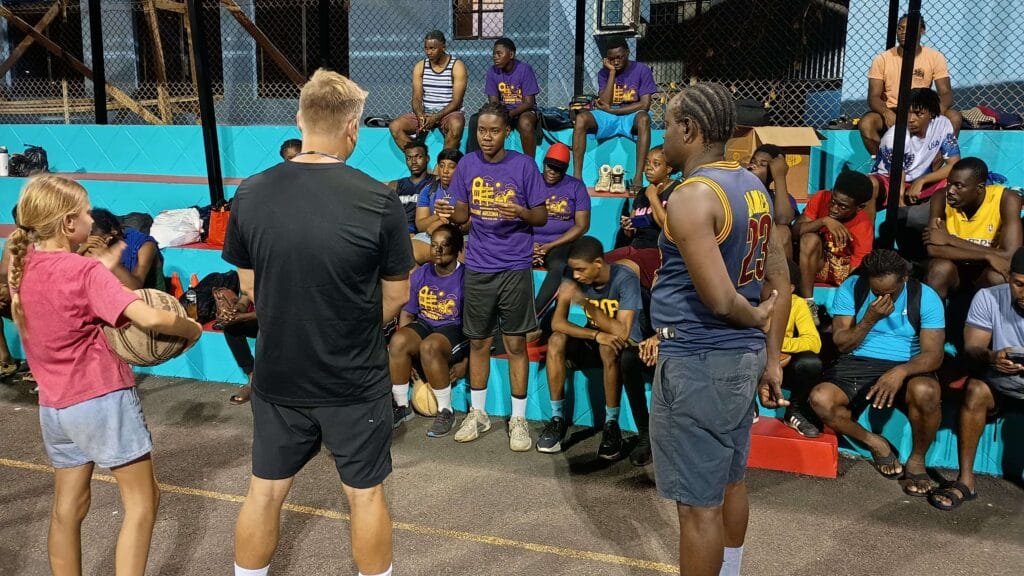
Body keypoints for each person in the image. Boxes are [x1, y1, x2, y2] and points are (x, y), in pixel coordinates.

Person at [224, 70, 412, 576]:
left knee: (264, 492)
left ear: (299, 119)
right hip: (352, 377)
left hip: (280, 373)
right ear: (353, 127)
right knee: (365, 495)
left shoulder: (251, 192)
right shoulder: (378, 199)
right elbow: (397, 294)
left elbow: (248, 287)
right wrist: (345, 323)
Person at [8, 174, 201, 576]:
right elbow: (147, 315)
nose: (90, 219)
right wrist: (189, 328)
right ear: (67, 224)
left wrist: (102, 268)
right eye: (84, 212)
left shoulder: (24, 268)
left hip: (55, 407)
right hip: (100, 399)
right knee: (142, 501)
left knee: (68, 508)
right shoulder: (83, 273)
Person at [649, 82, 788, 576]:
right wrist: (771, 357)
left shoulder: (691, 197)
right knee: (730, 481)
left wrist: (754, 317)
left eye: (667, 123)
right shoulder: (754, 187)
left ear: (689, 129)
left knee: (696, 507)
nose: (663, 133)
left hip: (697, 359)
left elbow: (721, 299)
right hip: (741, 360)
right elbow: (779, 279)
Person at [434, 102, 547, 452]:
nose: (486, 137)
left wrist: (521, 212)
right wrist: (450, 213)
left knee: (515, 344)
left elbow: (541, 217)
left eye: (494, 130)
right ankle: (478, 413)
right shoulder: (466, 164)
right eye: (481, 130)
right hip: (479, 266)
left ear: (507, 133)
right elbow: (464, 217)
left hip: (514, 267)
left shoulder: (524, 166)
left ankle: (518, 419)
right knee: (479, 342)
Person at [808, 249, 945, 497]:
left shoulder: (925, 296)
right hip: (859, 359)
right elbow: (842, 343)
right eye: (876, 292)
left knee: (926, 391)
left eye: (889, 293)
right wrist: (869, 319)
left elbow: (934, 355)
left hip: (907, 362)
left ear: (904, 278)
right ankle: (876, 443)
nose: (883, 297)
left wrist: (900, 371)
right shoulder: (853, 288)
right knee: (820, 399)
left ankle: (916, 460)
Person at [930, 247, 1024, 511]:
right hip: (1002, 382)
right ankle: (966, 481)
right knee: (975, 390)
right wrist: (992, 356)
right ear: (1009, 277)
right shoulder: (989, 298)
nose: (1023, 293)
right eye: (1018, 284)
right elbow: (973, 347)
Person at [539, 236, 648, 462]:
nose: (576, 275)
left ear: (598, 263)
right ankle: (557, 419)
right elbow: (557, 323)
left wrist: (585, 303)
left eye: (581, 269)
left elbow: (622, 332)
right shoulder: (574, 277)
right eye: (573, 270)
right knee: (556, 340)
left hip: (627, 348)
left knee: (610, 347)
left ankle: (611, 425)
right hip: (596, 339)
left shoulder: (624, 278)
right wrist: (596, 334)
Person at [388, 224, 466, 438]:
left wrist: (465, 363)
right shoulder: (421, 273)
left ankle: (445, 410)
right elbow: (407, 314)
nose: (437, 250)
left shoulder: (466, 277)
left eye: (444, 245)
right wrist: (405, 358)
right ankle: (401, 406)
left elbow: (477, 327)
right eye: (433, 245)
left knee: (429, 346)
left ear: (458, 248)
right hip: (426, 323)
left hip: (454, 328)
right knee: (398, 341)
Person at [859, 14, 961, 156]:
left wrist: (933, 112)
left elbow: (946, 93)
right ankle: (883, 164)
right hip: (893, 109)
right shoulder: (882, 59)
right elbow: (873, 97)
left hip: (921, 110)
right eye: (900, 28)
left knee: (954, 117)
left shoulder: (935, 57)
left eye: (909, 28)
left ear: (922, 30)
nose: (903, 32)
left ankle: (934, 163)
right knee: (867, 123)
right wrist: (886, 112)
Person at [923, 157, 1023, 300]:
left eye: (958, 186)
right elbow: (933, 249)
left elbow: (1010, 255)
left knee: (998, 277)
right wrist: (988, 255)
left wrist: (950, 240)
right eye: (949, 183)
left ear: (979, 188)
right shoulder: (940, 197)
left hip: (985, 272)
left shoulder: (1007, 199)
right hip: (954, 270)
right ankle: (933, 321)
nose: (950, 190)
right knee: (940, 269)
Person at [572, 36, 656, 194]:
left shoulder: (642, 70)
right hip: (609, 116)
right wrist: (611, 73)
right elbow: (604, 102)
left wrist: (614, 111)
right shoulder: (603, 73)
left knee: (644, 118)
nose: (616, 62)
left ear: (627, 53)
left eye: (619, 57)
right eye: (612, 59)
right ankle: (577, 177)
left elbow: (645, 104)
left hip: (630, 114)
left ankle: (638, 178)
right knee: (581, 118)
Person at [868, 87, 960, 210]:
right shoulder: (894, 137)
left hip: (920, 180)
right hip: (889, 181)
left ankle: (940, 225)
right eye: (907, 112)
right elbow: (897, 175)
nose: (911, 119)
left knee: (959, 182)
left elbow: (954, 164)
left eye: (918, 114)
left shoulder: (942, 124)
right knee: (870, 185)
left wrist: (922, 180)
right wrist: (900, 204)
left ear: (931, 113)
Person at [605, 145, 679, 291]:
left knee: (623, 268)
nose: (648, 168)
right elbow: (632, 230)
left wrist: (653, 196)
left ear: (669, 168)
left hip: (659, 251)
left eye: (656, 164)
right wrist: (628, 227)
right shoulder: (642, 193)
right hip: (635, 247)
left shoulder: (677, 190)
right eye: (647, 163)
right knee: (598, 264)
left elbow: (668, 227)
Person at [793, 170, 875, 300]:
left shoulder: (863, 225)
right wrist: (823, 221)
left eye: (842, 207)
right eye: (833, 201)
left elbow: (857, 269)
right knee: (809, 239)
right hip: (815, 266)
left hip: (843, 272)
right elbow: (795, 232)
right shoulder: (821, 198)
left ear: (859, 207)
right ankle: (808, 302)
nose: (834, 209)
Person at [532, 143, 591, 319]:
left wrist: (549, 246)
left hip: (559, 243)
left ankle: (533, 317)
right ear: (544, 163)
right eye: (550, 166)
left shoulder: (576, 187)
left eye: (558, 170)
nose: (552, 172)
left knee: (559, 267)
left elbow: (582, 226)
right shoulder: (531, 182)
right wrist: (529, 245)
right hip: (528, 240)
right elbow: (518, 216)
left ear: (565, 170)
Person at [389, 30, 467, 151]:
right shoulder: (420, 66)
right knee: (395, 126)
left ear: (443, 47)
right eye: (426, 48)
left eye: (433, 48)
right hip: (425, 113)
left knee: (456, 125)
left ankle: (445, 162)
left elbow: (456, 101)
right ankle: (417, 157)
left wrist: (436, 117)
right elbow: (416, 97)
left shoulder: (457, 66)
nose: (429, 52)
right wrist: (420, 115)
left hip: (448, 113)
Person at [467, 37, 540, 159]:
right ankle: (476, 160)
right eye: (494, 54)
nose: (495, 57)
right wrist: (500, 114)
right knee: (475, 119)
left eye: (499, 53)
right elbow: (494, 102)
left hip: (523, 110)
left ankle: (529, 162)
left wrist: (510, 113)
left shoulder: (524, 69)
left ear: (511, 54)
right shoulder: (492, 71)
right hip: (503, 111)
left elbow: (529, 102)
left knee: (525, 122)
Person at [780, 260, 824, 438]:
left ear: (790, 288)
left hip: (783, 361)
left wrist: (780, 344)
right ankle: (748, 406)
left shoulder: (797, 304)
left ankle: (794, 411)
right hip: (755, 359)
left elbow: (814, 342)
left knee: (810, 363)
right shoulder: (752, 297)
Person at [80, 208, 166, 291]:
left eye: (90, 233)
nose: (87, 239)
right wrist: (77, 252)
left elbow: (135, 287)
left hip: (146, 298)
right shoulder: (87, 247)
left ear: (112, 232)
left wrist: (109, 259)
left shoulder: (145, 245)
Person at [412, 148, 465, 264]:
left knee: (468, 258)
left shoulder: (468, 190)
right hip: (430, 236)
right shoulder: (429, 190)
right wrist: (439, 215)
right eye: (441, 166)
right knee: (407, 253)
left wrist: (442, 224)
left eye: (452, 167)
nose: (445, 171)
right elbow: (421, 225)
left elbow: (469, 223)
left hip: (461, 236)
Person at [746, 144, 798, 258]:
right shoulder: (737, 190)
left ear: (772, 173)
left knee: (783, 232)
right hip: (743, 245)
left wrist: (779, 177)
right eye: (753, 161)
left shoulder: (778, 196)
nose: (753, 166)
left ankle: (785, 275)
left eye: (762, 164)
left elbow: (783, 219)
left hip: (769, 254)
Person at [389, 141, 437, 263]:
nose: (413, 162)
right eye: (409, 158)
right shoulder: (395, 185)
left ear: (427, 158)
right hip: (400, 233)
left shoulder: (436, 182)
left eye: (418, 157)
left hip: (424, 234)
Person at [217, 289, 258, 405]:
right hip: (262, 318)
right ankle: (252, 379)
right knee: (231, 328)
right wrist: (235, 310)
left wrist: (243, 317)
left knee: (266, 331)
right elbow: (246, 296)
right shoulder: (254, 272)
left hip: (285, 321)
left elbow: (276, 311)